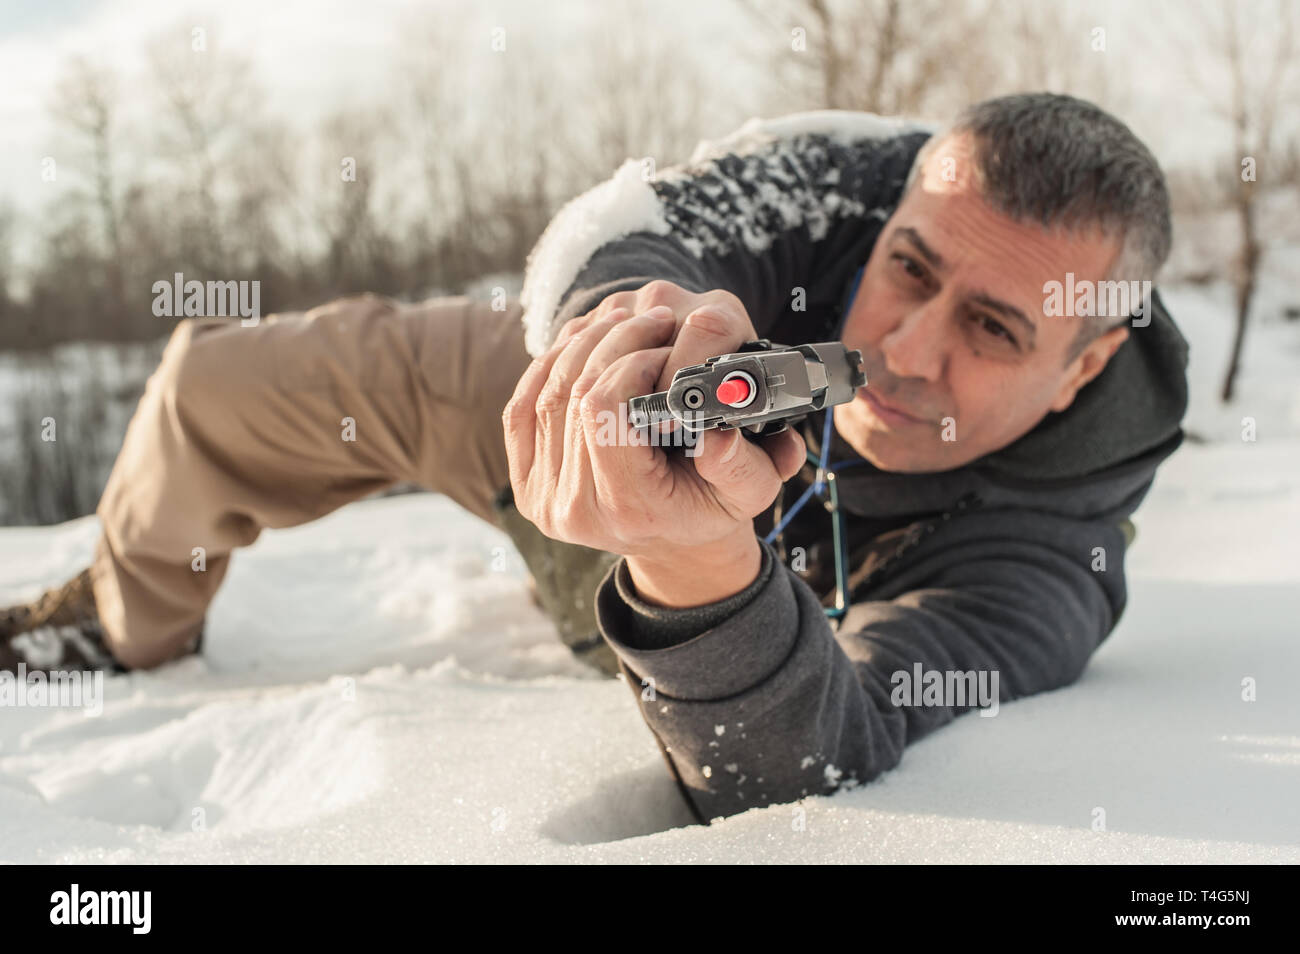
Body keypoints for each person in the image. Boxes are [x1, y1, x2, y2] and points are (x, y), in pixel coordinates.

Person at [2, 93, 1188, 823]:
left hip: (714, 627)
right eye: (909, 269)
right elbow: (635, 226)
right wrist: (630, 350)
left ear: (1081, 366)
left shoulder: (1048, 563)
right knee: (220, 385)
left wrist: (699, 567)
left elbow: (819, 761)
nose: (905, 347)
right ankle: (118, 622)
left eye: (993, 329)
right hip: (562, 425)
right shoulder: (847, 179)